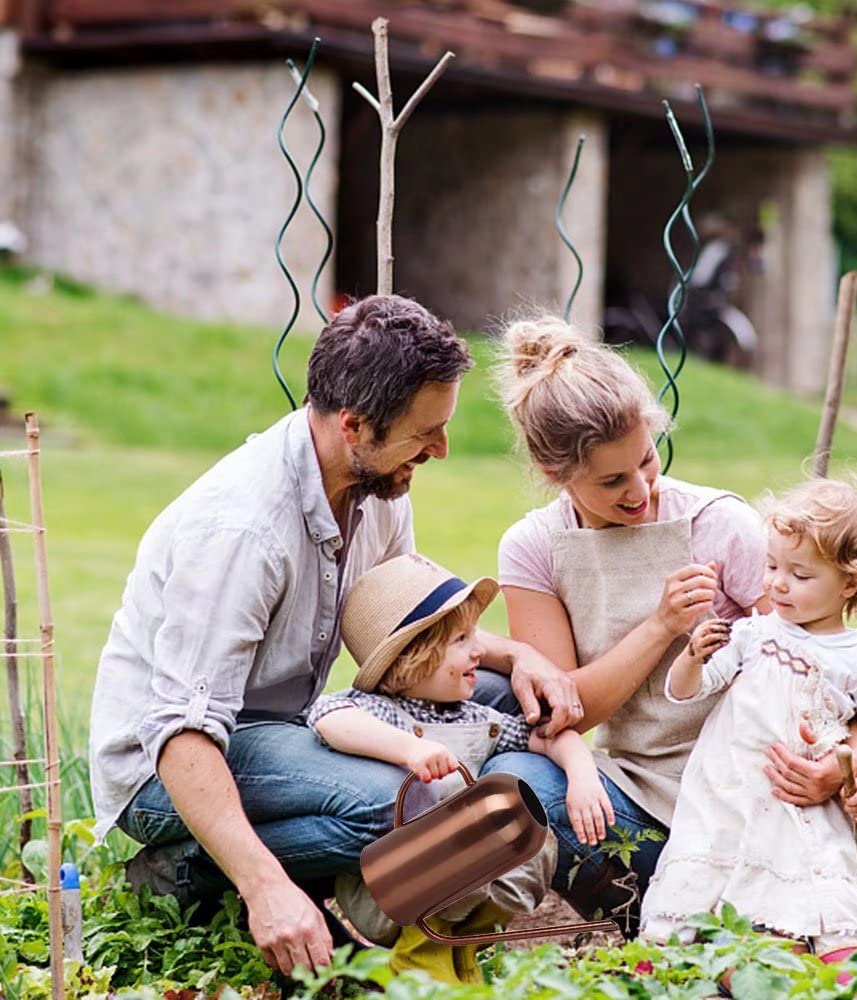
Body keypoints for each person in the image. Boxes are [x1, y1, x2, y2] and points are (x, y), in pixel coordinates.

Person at [89, 295, 583, 977]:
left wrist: (516, 655)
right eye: (425, 432)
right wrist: (266, 889)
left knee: (496, 699)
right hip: (170, 767)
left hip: (285, 736)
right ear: (354, 425)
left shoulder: (376, 489)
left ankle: (397, 889)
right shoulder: (241, 530)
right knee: (407, 802)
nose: (440, 449)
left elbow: (407, 639)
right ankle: (188, 875)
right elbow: (181, 734)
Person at [476, 314, 857, 967]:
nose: (641, 490)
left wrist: (843, 765)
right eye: (612, 482)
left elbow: (822, 665)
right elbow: (564, 710)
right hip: (635, 789)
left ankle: (760, 928)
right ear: (556, 474)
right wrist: (661, 626)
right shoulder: (532, 549)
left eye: (646, 459)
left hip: (749, 789)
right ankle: (801, 928)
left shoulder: (719, 524)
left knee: (725, 904)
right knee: (517, 784)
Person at [306, 553, 614, 983]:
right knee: (472, 830)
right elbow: (328, 715)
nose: (479, 650)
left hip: (455, 891)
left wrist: (582, 777)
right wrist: (409, 750)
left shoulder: (472, 719)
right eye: (461, 639)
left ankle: (455, 948)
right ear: (415, 655)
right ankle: (417, 958)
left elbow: (549, 737)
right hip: (386, 891)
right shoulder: (380, 711)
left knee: (532, 835)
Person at [640, 478, 857, 964]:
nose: (777, 583)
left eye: (800, 575)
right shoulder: (753, 635)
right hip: (726, 800)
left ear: (850, 582)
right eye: (773, 565)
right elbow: (685, 691)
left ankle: (834, 977)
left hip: (799, 814)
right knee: (696, 920)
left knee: (805, 917)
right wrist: (693, 658)